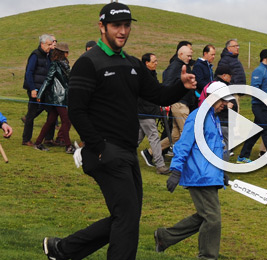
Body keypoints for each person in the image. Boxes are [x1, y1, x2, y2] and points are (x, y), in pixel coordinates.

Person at [42, 3, 196, 260]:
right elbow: (77, 110)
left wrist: (181, 85)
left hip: (126, 152)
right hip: (104, 151)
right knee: (126, 217)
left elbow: (158, 94)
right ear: (102, 27)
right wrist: (100, 148)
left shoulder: (132, 64)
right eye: (116, 25)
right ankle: (63, 250)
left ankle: (62, 250)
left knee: (127, 216)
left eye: (127, 25)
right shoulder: (88, 63)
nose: (123, 31)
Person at [154, 83, 232, 260]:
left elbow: (214, 149)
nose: (224, 104)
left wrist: (221, 172)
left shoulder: (213, 118)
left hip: (210, 175)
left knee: (205, 216)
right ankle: (207, 256)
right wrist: (175, 170)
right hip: (200, 176)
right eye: (221, 101)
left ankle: (164, 237)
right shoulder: (198, 117)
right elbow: (184, 144)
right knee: (212, 219)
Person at [33, 42, 74, 153]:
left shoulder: (63, 64)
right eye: (66, 52)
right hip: (57, 98)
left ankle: (37, 143)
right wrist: (40, 94)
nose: (68, 54)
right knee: (66, 121)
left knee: (50, 121)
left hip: (59, 98)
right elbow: (48, 80)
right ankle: (68, 146)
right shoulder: (56, 64)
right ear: (63, 53)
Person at [237, 49, 267, 164]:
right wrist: (265, 101)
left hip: (266, 107)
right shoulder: (259, 71)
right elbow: (254, 89)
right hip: (259, 106)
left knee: (256, 131)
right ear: (265, 58)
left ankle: (242, 156)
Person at [159, 45, 196, 152]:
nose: (190, 58)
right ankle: (187, 160)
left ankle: (150, 152)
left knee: (176, 136)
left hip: (182, 103)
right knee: (188, 134)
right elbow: (167, 84)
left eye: (191, 56)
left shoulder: (183, 65)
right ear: (180, 54)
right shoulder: (175, 67)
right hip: (179, 105)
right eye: (188, 56)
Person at [137, 53, 169, 175]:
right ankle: (160, 165)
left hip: (147, 111)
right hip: (145, 112)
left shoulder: (151, 74)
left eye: (156, 61)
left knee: (136, 139)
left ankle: (117, 155)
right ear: (147, 63)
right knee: (154, 137)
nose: (156, 63)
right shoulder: (143, 76)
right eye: (154, 61)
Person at [22, 34, 56, 146]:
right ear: (42, 44)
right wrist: (32, 89)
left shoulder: (49, 55)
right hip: (35, 89)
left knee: (52, 112)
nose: (50, 47)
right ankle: (26, 139)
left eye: (51, 44)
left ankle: (49, 138)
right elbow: (29, 72)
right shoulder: (35, 55)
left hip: (46, 90)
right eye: (48, 44)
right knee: (31, 114)